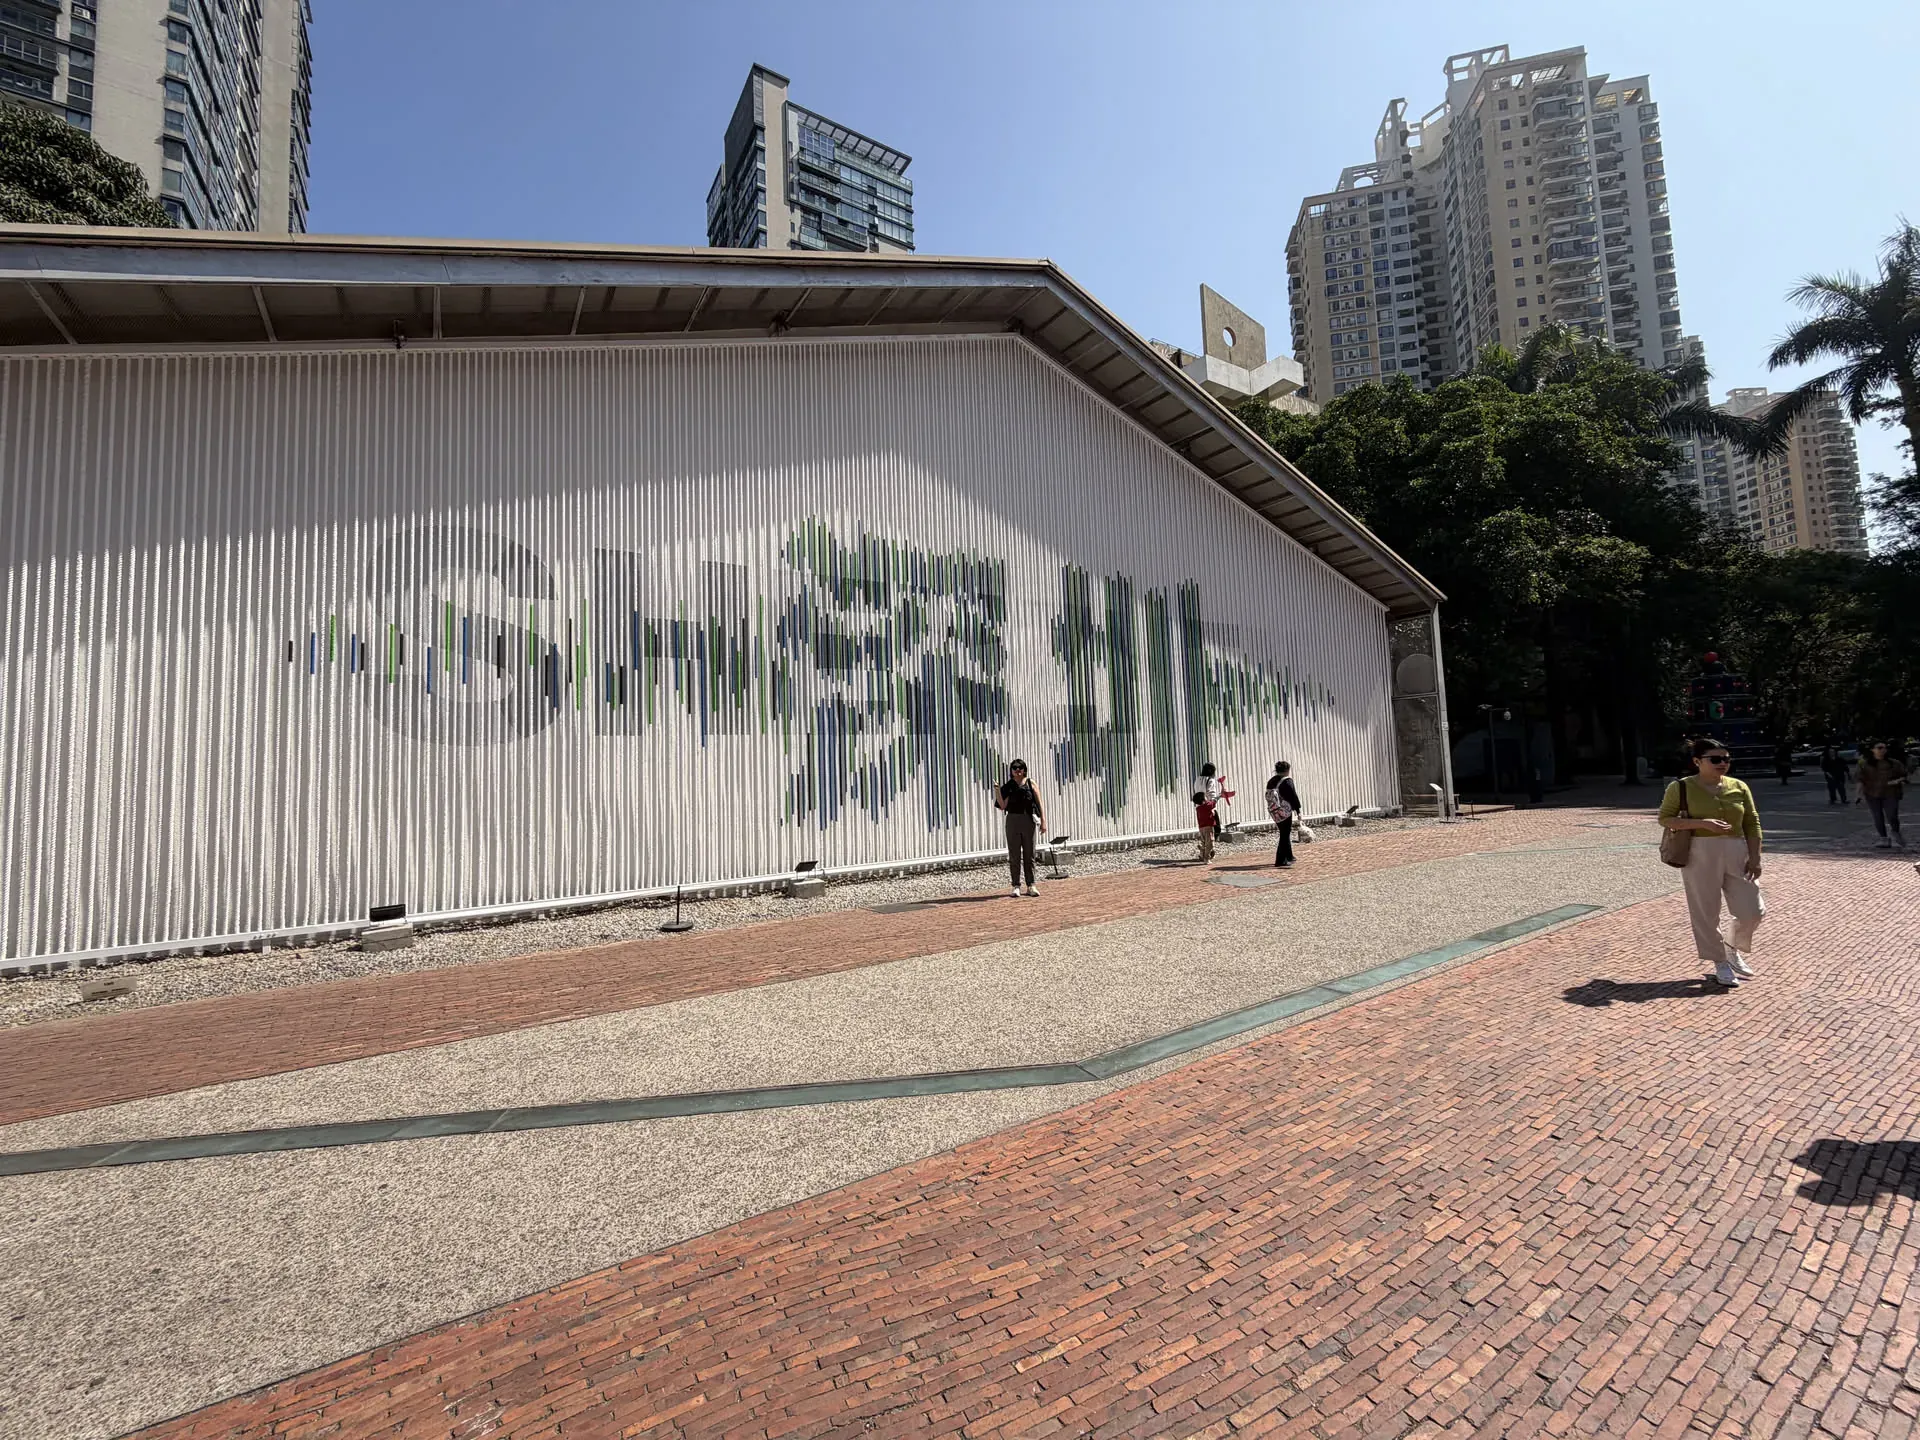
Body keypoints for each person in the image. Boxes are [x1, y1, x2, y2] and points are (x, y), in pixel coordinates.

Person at [1658, 737, 1764, 988]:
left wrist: (1756, 857)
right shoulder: (1681, 787)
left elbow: (1752, 821)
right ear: (1697, 761)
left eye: (1726, 758)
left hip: (1737, 850)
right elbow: (1665, 818)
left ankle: (1731, 946)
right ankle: (1719, 962)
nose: (1722, 763)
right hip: (1699, 851)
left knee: (1753, 911)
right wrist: (1702, 823)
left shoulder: (1739, 786)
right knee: (1706, 911)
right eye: (1715, 759)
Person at [995, 759, 1047, 896]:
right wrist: (997, 790)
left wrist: (1043, 820)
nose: (1017, 770)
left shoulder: (1030, 783)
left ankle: (1031, 885)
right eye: (1015, 768)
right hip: (1012, 819)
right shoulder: (1009, 785)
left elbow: (1039, 802)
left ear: (1024, 769)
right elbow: (1002, 805)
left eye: (1020, 768)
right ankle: (1016, 885)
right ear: (1011, 771)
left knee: (1030, 853)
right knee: (1014, 854)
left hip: (1028, 819)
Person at [1858, 740, 1908, 850]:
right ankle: (1883, 838)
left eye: (1884, 748)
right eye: (1879, 748)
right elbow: (1861, 779)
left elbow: (1904, 775)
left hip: (1890, 793)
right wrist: (1859, 794)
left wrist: (1897, 781)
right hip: (1872, 794)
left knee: (1892, 815)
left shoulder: (1894, 763)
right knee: (1877, 816)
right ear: (1873, 750)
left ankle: (1895, 831)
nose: (1882, 750)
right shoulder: (1866, 764)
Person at [1266, 762, 1303, 868]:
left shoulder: (1272, 781)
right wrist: (1298, 811)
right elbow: (1293, 797)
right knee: (1285, 834)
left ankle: (1289, 855)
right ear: (1287, 770)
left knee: (1284, 832)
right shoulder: (1287, 781)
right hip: (1285, 811)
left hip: (1274, 811)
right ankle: (1280, 860)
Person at [1199, 763, 1233, 841]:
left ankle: (1204, 849)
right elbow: (1212, 798)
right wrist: (1220, 795)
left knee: (1203, 830)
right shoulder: (1210, 780)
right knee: (1216, 829)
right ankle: (1211, 848)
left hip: (1199, 809)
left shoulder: (1197, 780)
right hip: (1208, 808)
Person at [1193, 789, 1217, 864]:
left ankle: (1202, 852)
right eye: (1205, 797)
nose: (1207, 798)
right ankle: (1206, 858)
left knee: (1204, 842)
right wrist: (1220, 795)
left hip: (1201, 828)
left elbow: (1207, 813)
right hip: (1208, 827)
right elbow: (1213, 802)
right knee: (1210, 843)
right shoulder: (1207, 806)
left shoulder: (1198, 809)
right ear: (1203, 800)